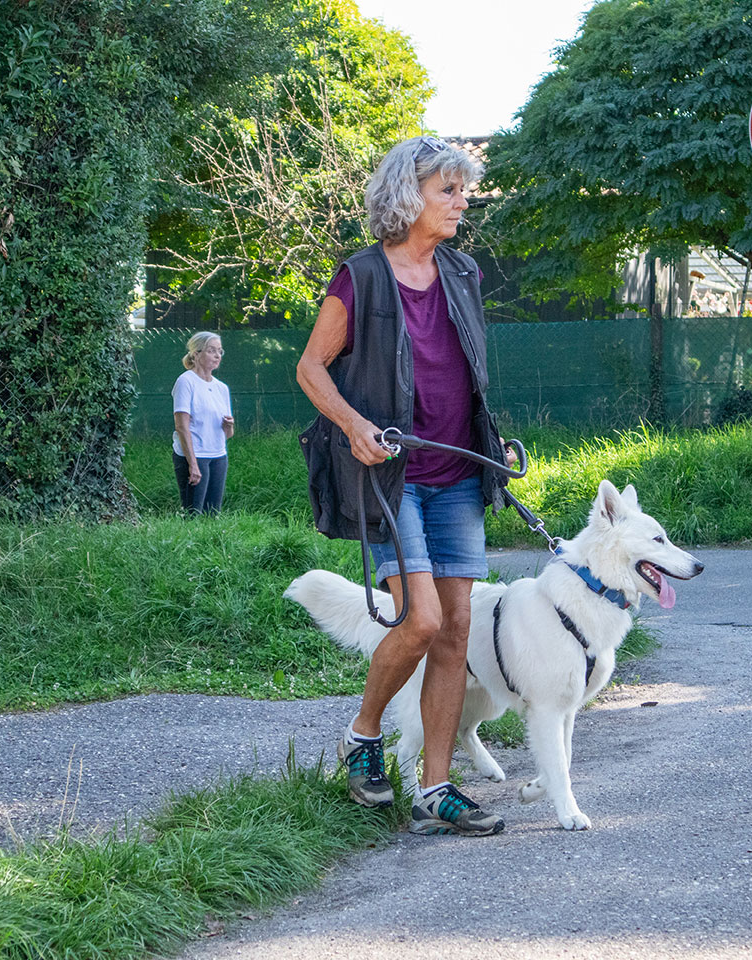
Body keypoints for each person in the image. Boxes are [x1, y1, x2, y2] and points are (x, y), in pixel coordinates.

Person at [295, 135, 509, 837]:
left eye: (462, 189)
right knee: (419, 620)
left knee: (455, 632)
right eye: (448, 189)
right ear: (407, 194)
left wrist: (490, 438)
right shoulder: (360, 276)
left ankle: (436, 786)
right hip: (391, 477)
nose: (461, 201)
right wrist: (355, 425)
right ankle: (363, 736)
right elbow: (311, 369)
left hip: (457, 472)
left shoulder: (463, 272)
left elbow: (466, 374)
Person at [172, 331, 234, 515]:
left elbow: (228, 435)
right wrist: (193, 464)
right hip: (194, 456)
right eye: (211, 350)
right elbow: (181, 427)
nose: (217, 356)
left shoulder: (222, 388)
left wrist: (228, 426)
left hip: (218, 456)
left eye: (220, 351)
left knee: (212, 514)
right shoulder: (186, 382)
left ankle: (211, 544)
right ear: (196, 354)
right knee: (193, 514)